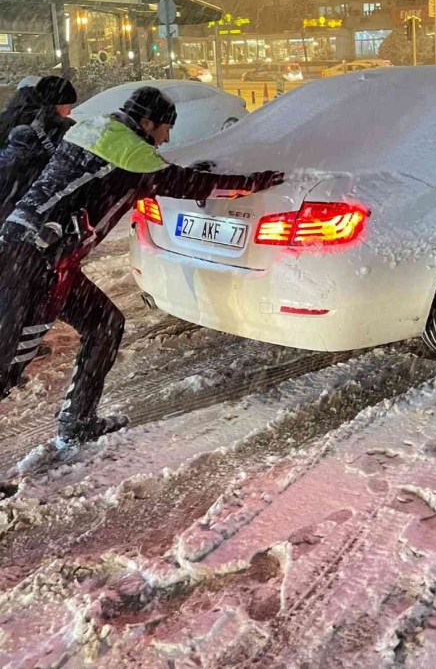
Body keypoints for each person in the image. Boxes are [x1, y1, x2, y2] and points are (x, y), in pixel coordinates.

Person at [0, 86, 283, 443]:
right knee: (7, 364)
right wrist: (254, 183)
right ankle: (75, 421)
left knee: (105, 325)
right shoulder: (131, 156)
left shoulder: (98, 133)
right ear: (147, 123)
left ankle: (78, 421)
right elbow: (189, 183)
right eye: (166, 128)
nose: (167, 138)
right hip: (36, 265)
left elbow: (148, 174)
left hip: (34, 251)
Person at [0, 77, 78, 224]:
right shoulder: (55, 126)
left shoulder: (6, 119)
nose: (69, 111)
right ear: (57, 103)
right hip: (32, 201)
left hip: (8, 198)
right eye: (68, 105)